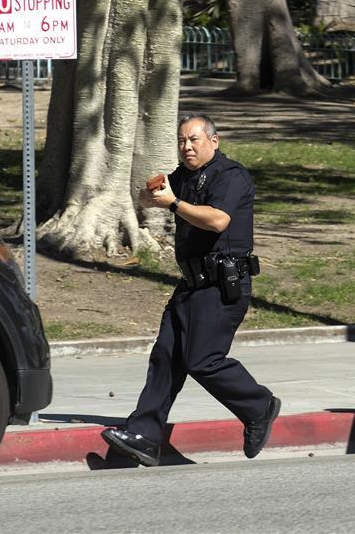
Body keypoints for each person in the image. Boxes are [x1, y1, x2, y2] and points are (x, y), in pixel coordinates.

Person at [102, 113, 280, 466]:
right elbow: (148, 196)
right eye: (182, 141)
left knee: (203, 360)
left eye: (194, 140)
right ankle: (145, 436)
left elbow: (218, 220)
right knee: (166, 356)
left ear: (214, 140)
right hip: (191, 285)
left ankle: (260, 406)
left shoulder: (231, 176)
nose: (186, 147)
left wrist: (171, 203)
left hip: (223, 286)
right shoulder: (185, 176)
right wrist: (151, 191)